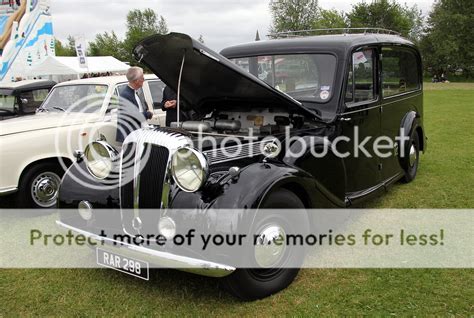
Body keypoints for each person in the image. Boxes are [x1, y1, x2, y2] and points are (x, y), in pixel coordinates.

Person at [116, 67, 153, 143]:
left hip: (137, 133)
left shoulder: (134, 92)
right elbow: (133, 116)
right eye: (142, 78)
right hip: (130, 136)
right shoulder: (126, 95)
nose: (144, 80)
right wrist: (148, 114)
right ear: (136, 81)